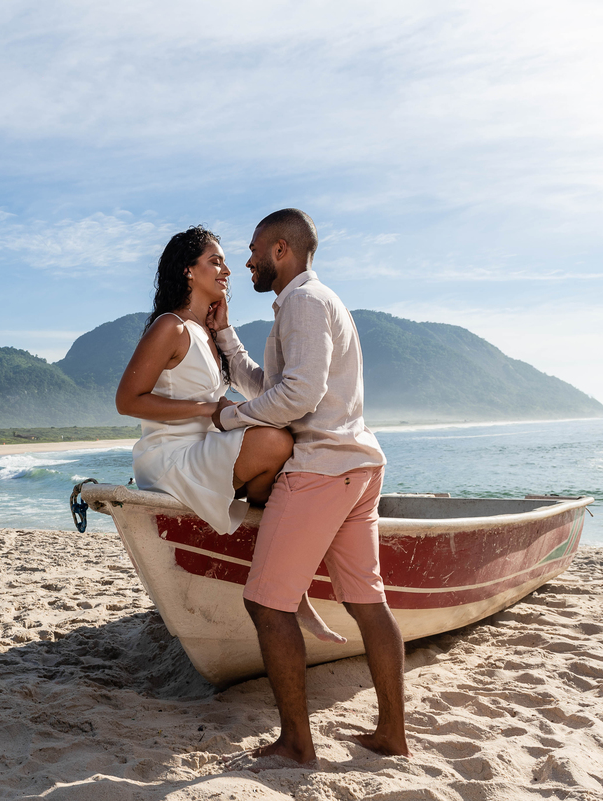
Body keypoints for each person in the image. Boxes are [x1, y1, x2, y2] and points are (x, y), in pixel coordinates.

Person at [208, 209, 409, 766]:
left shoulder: (303, 302)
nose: (245, 260)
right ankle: (392, 735)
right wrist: (225, 337)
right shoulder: (309, 303)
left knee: (266, 604)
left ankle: (297, 745)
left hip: (322, 468)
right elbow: (274, 385)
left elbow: (295, 398)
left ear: (280, 250)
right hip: (359, 467)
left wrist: (227, 419)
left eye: (252, 249)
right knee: (369, 603)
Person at [115, 225, 344, 644]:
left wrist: (223, 331)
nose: (227, 270)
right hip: (171, 455)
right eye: (215, 261)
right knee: (275, 441)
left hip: (205, 448)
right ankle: (286, 573)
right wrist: (209, 410)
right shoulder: (171, 327)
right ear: (188, 271)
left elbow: (263, 389)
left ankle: (283, 569)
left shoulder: (206, 331)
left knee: (287, 447)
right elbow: (128, 401)